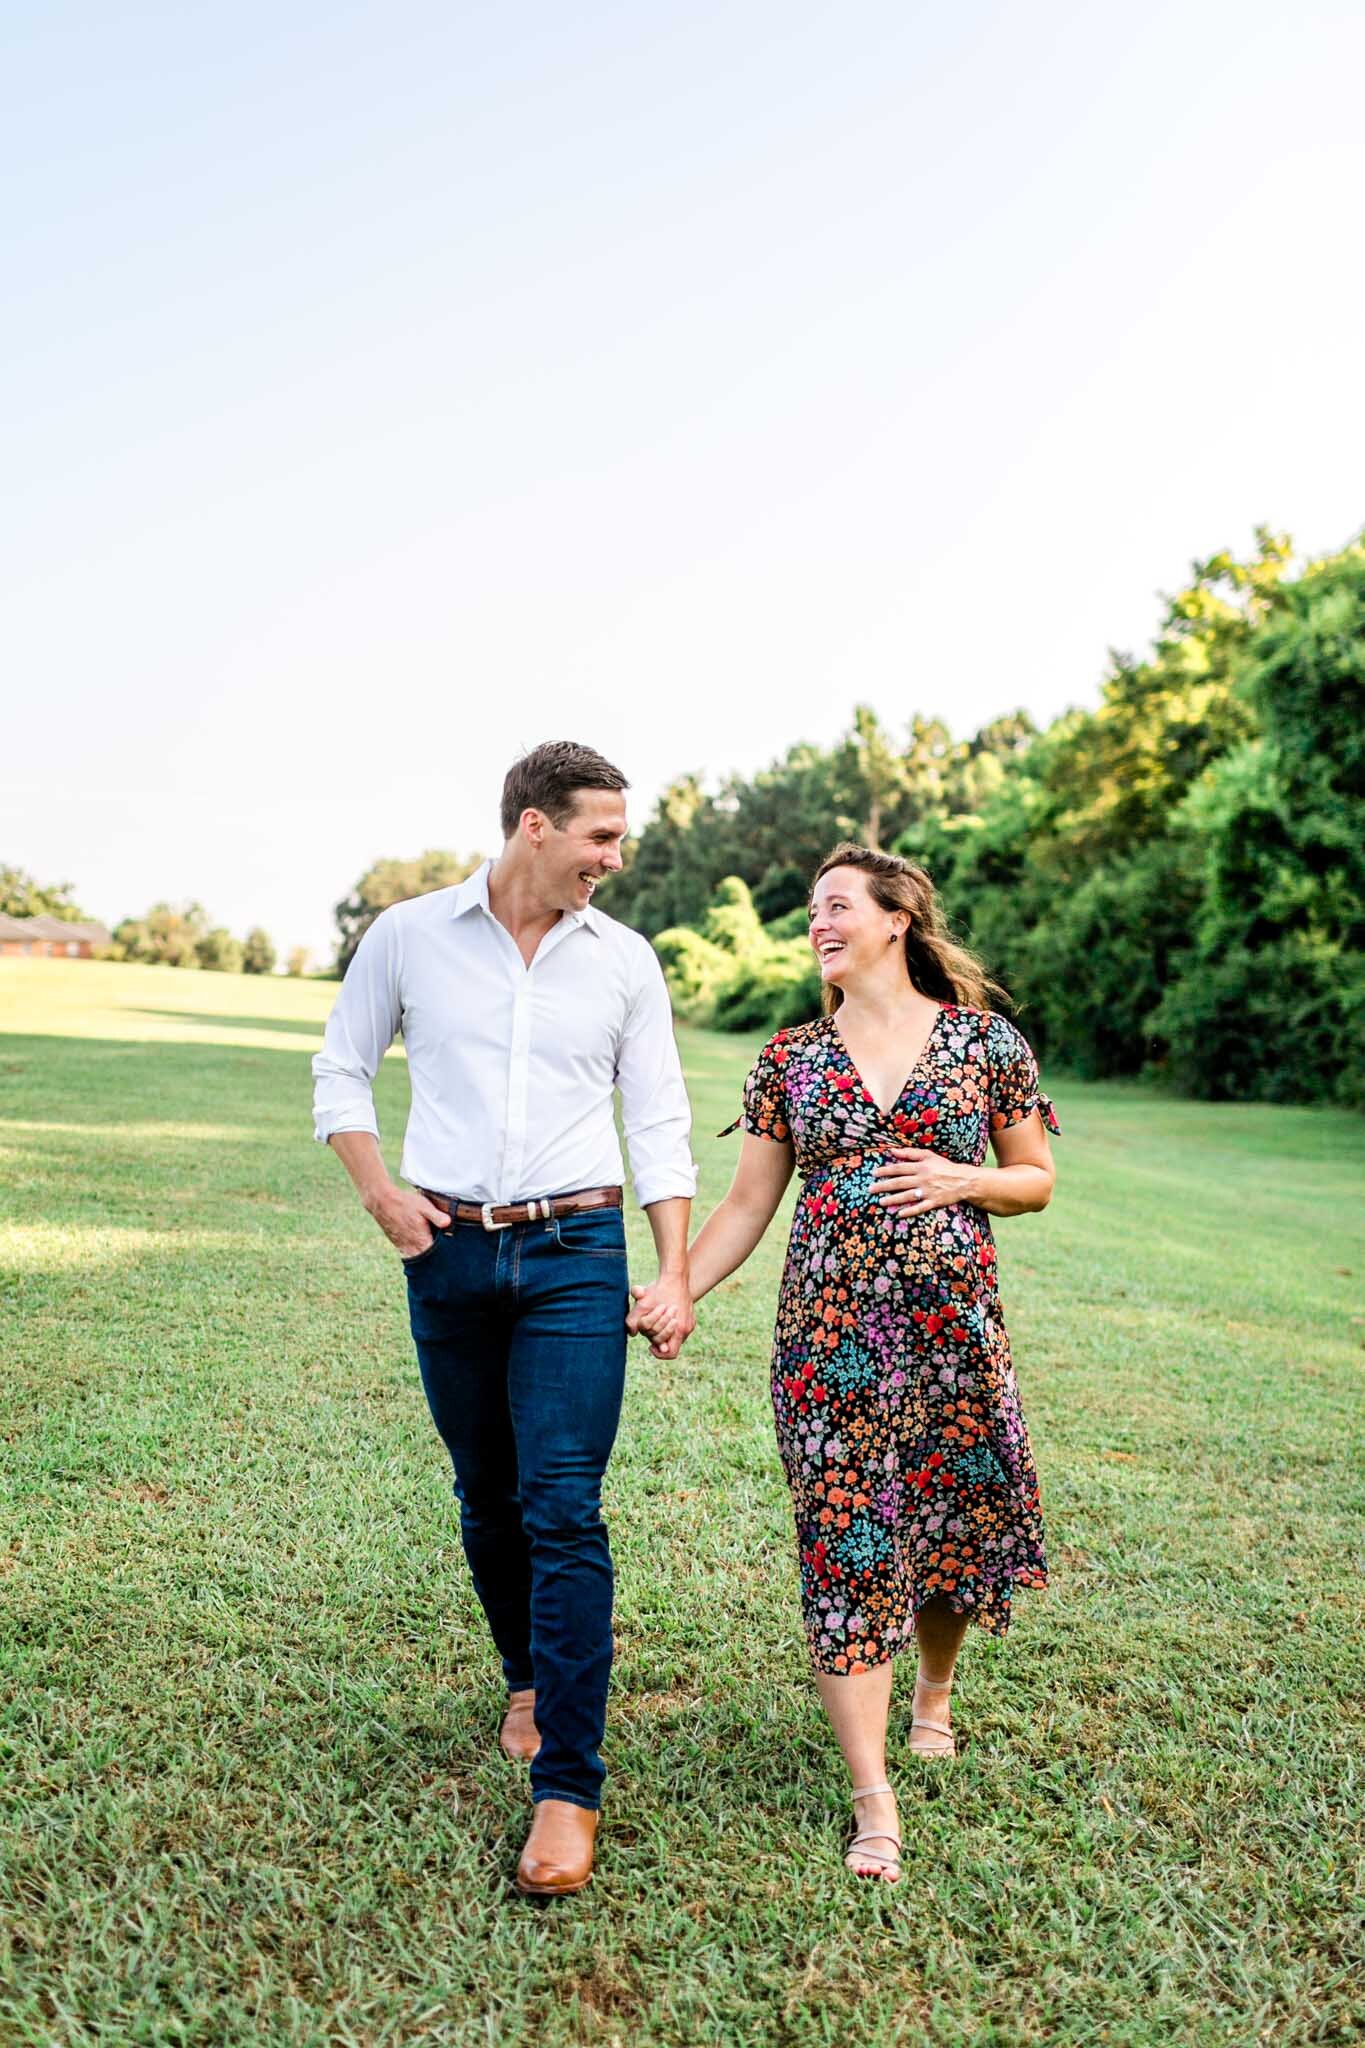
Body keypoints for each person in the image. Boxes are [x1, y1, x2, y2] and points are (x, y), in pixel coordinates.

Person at [312, 741, 696, 1897]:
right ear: (536, 825)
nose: (614, 860)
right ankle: (526, 1672)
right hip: (450, 1250)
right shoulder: (408, 935)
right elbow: (340, 1073)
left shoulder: (625, 961)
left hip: (580, 1248)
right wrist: (382, 1191)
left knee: (564, 1505)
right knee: (487, 1491)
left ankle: (568, 1789)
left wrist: (672, 1269)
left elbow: (662, 1120)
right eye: (601, 836)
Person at [631, 842, 1058, 1884]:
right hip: (828, 1343)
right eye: (810, 910)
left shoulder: (985, 1042)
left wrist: (964, 1176)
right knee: (847, 1543)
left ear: (895, 917)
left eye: (835, 906)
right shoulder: (789, 1060)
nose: (817, 923)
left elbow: (1036, 1177)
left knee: (951, 1519)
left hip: (955, 1333)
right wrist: (681, 1283)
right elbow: (745, 1205)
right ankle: (874, 1794)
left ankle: (934, 1694)